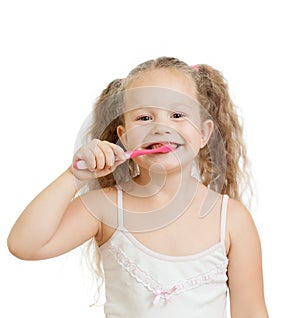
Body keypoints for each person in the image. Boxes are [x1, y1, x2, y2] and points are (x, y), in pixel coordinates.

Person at [7, 57, 269, 317]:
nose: (161, 127)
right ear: (123, 136)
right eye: (144, 117)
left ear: (204, 133)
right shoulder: (105, 208)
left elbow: (250, 312)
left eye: (177, 115)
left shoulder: (231, 218)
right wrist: (74, 175)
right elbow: (24, 244)